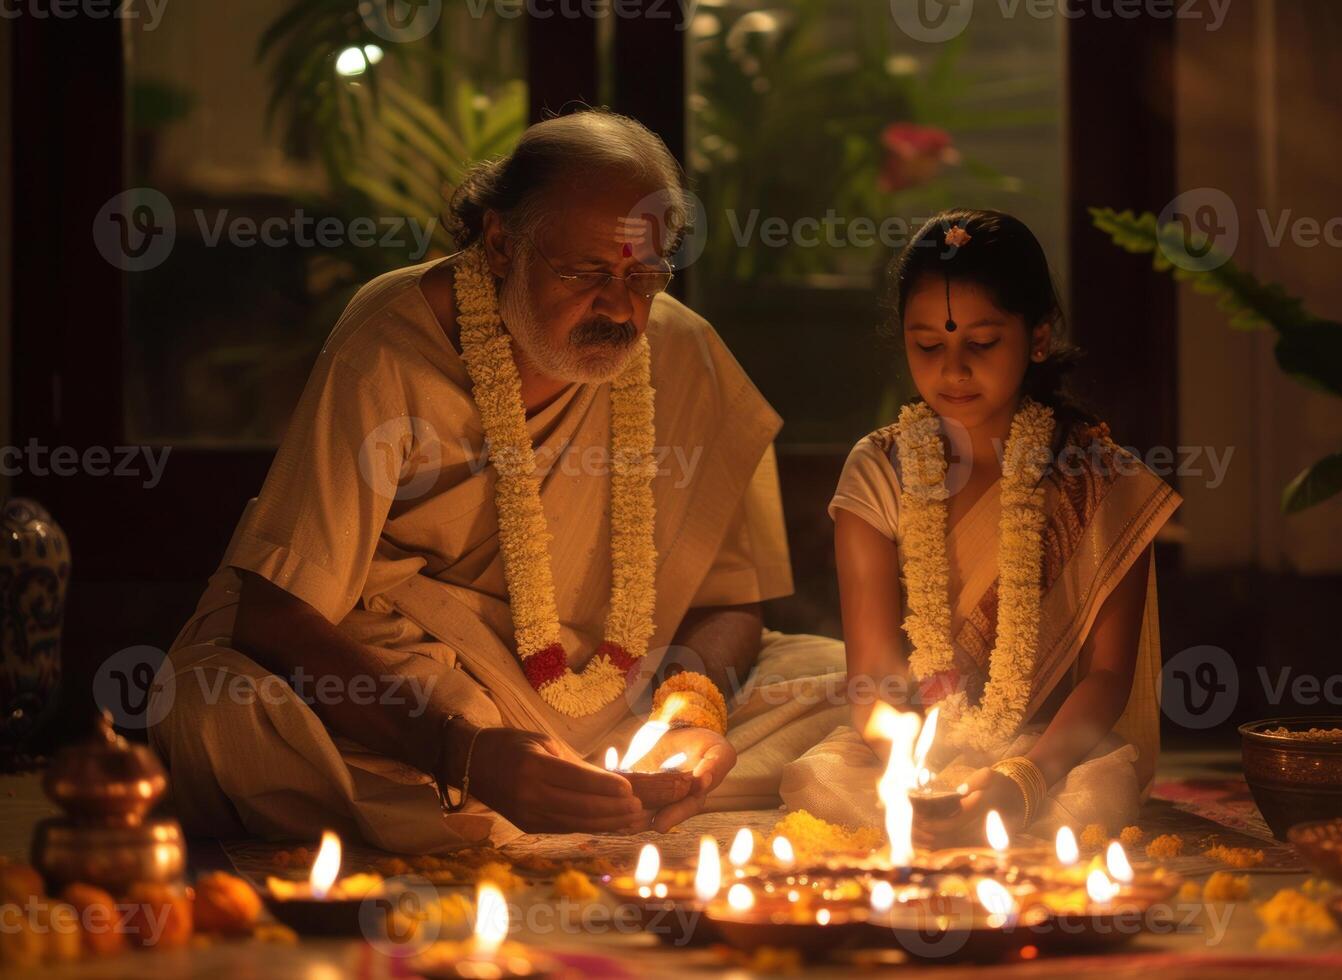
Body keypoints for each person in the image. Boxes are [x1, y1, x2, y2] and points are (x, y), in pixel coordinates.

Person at [148, 110, 846, 854]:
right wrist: (468, 754)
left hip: (622, 696)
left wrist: (688, 715)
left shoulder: (683, 353)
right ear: (502, 243)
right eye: (587, 273)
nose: (619, 306)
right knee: (219, 714)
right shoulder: (392, 342)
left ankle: (549, 799)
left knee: (842, 680)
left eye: (644, 275)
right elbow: (275, 614)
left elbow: (730, 602)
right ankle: (500, 796)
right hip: (431, 689)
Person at [781, 209, 1181, 844]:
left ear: (1039, 337)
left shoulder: (1099, 477)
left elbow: (1108, 678)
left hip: (1049, 749)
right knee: (822, 782)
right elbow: (874, 680)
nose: (953, 370)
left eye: (983, 343)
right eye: (928, 346)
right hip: (911, 746)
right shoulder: (879, 469)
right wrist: (909, 775)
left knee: (1090, 803)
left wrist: (1024, 778)